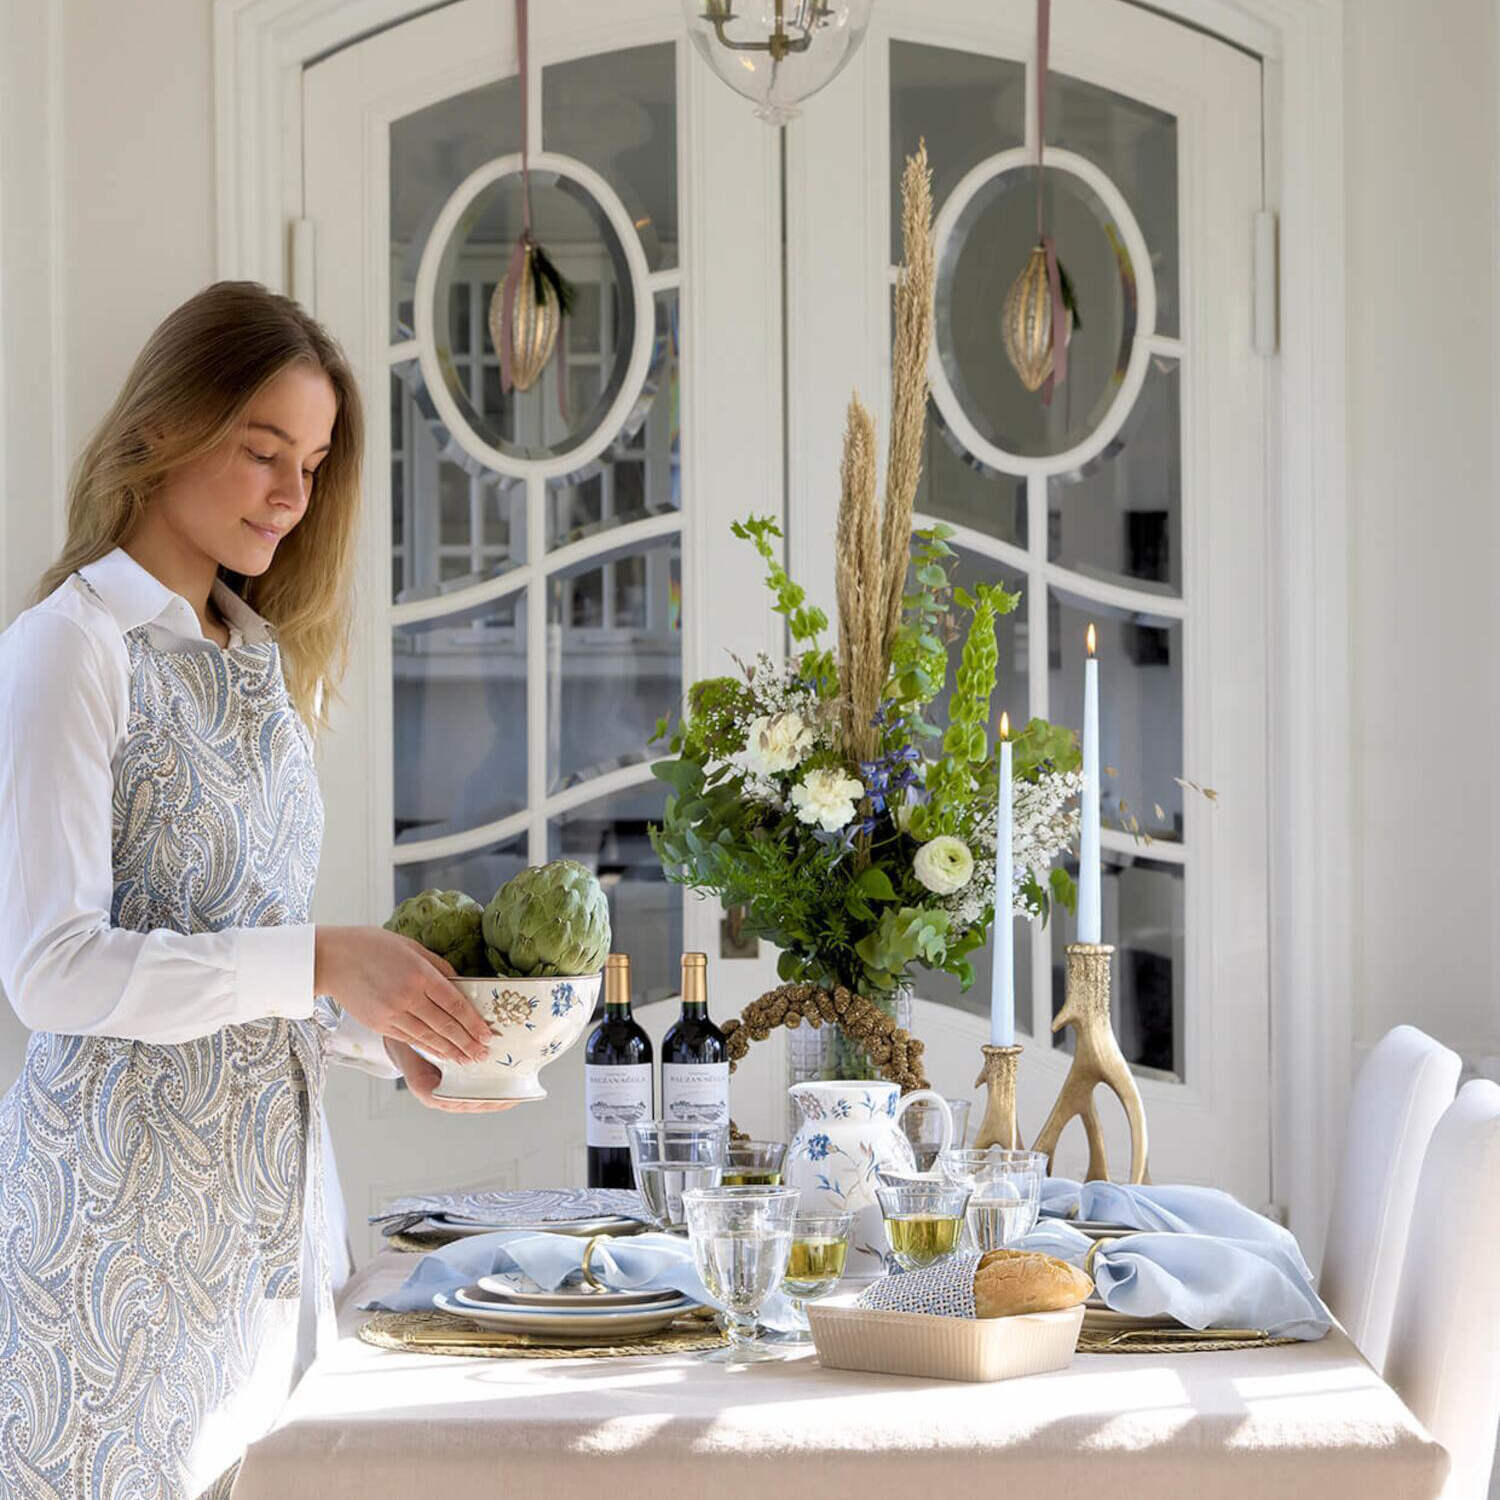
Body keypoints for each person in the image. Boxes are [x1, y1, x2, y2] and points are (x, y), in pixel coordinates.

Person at [0, 280, 515, 1498]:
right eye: (262, 450)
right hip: (107, 1253)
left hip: (268, 1253)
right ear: (161, 429)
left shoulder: (261, 663)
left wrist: (387, 1030)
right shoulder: (72, 647)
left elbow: (241, 965)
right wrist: (326, 960)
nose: (292, 494)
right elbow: (50, 972)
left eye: (315, 464)